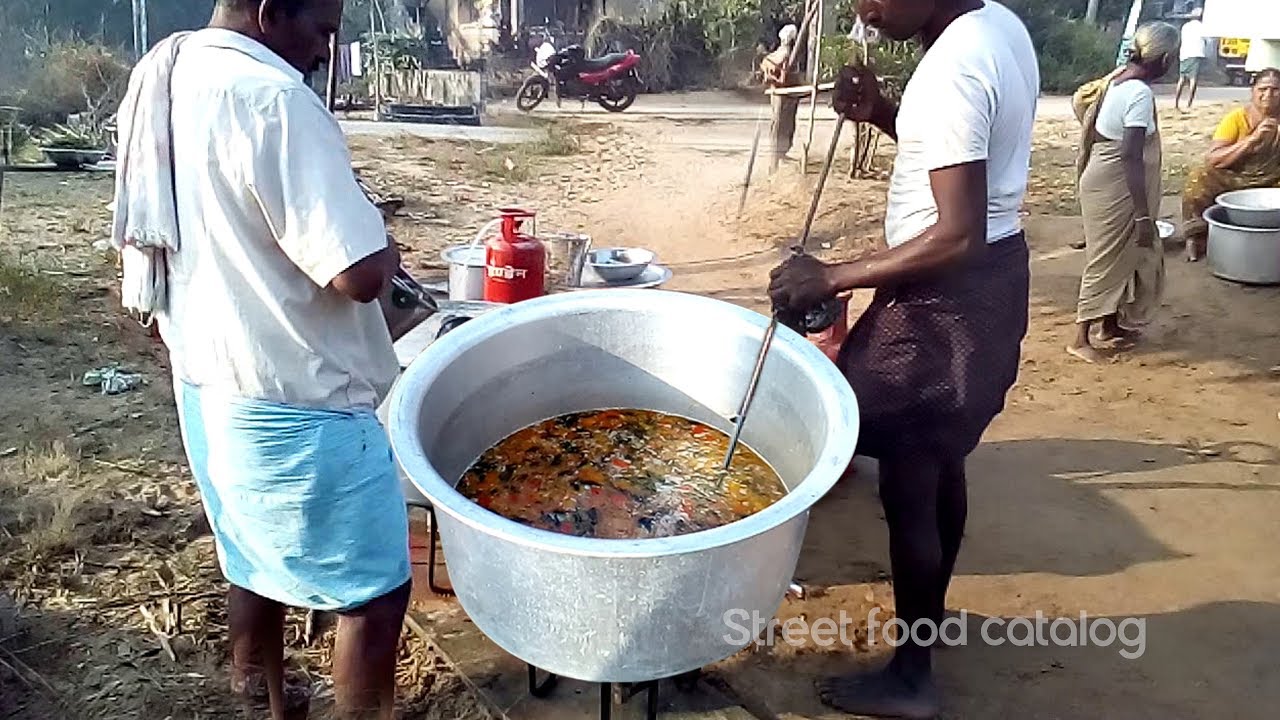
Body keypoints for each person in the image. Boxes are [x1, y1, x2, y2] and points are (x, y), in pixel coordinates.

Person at [110, 1, 411, 718]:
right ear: (273, 12)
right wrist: (386, 238)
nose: (327, 46)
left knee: (250, 545)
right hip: (298, 397)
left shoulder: (165, 69)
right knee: (374, 594)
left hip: (209, 375)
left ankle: (261, 691)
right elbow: (359, 274)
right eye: (322, 28)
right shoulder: (275, 99)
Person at [768, 1, 1038, 716]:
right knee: (939, 459)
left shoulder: (952, 66)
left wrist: (830, 278)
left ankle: (911, 676)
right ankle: (931, 616)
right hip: (988, 283)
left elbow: (957, 235)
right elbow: (963, 163)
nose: (864, 7)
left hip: (945, 299)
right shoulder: (994, 26)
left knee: (909, 487)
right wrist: (887, 112)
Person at [1067, 23, 1178, 364]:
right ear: (1165, 58)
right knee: (1105, 259)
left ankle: (1109, 325)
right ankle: (1080, 338)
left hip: (1103, 177)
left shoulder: (1117, 79)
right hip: (1116, 184)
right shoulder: (1140, 94)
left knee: (1123, 255)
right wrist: (1144, 216)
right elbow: (1130, 154)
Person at [1181, 68, 1280, 261]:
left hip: (1274, 180)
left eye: (1275, 90)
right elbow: (1214, 158)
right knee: (1199, 177)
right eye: (1263, 89)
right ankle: (1196, 237)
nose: (1268, 95)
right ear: (1253, 91)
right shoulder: (1237, 118)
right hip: (1235, 177)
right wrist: (1251, 140)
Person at [760, 24, 803, 172]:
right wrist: (772, 79)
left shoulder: (776, 54)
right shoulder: (786, 55)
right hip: (784, 96)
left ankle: (778, 156)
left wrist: (769, 77)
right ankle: (777, 158)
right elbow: (783, 80)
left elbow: (767, 67)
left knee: (778, 126)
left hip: (779, 95)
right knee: (783, 126)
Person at [1175, 7, 1207, 112]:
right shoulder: (1202, 27)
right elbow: (1206, 39)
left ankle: (1176, 102)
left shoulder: (1185, 26)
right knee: (1193, 79)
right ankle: (1189, 103)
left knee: (1182, 79)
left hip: (1184, 54)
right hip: (1195, 53)